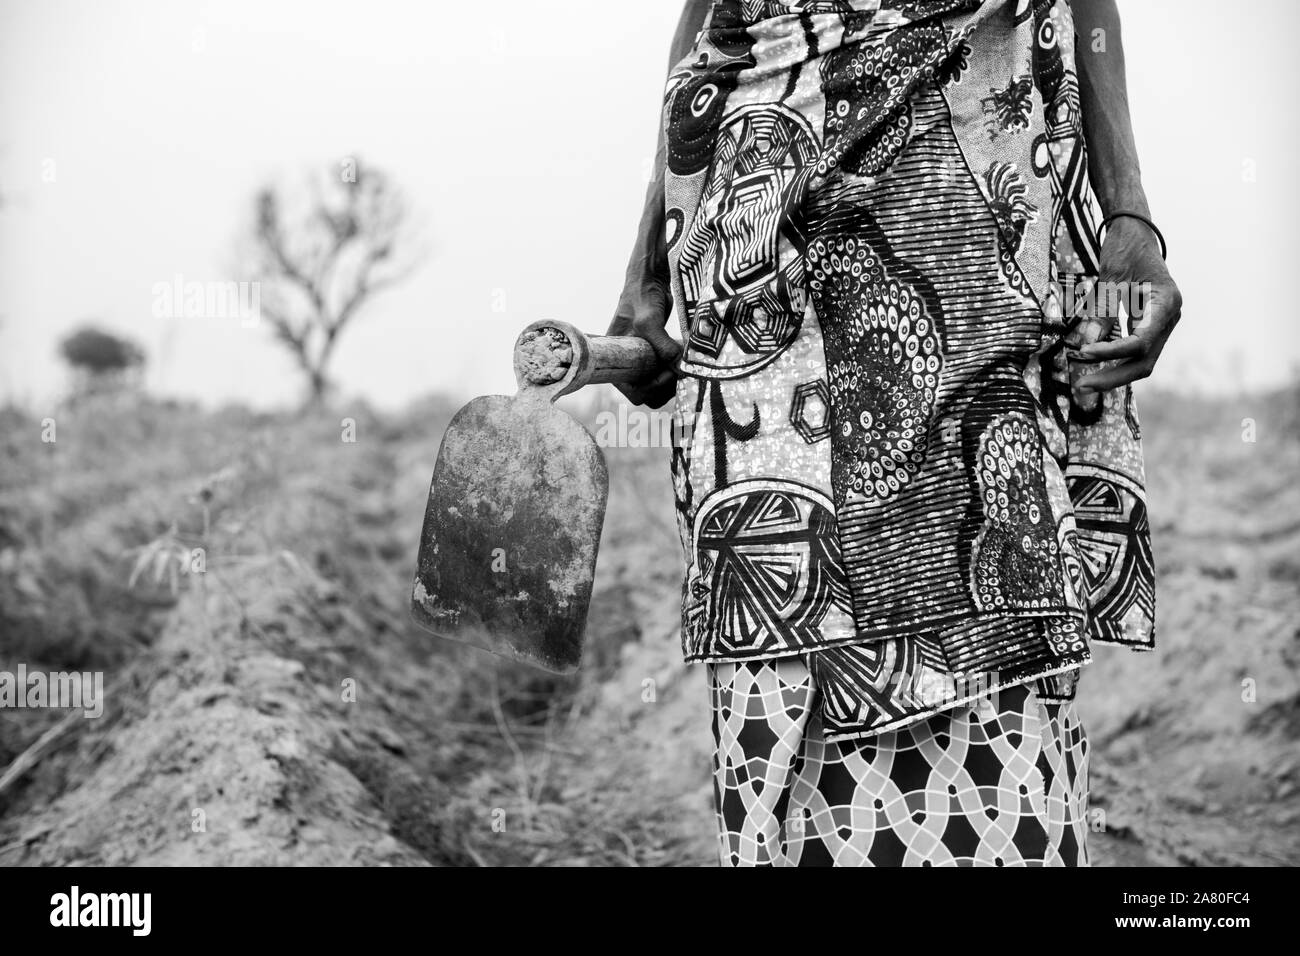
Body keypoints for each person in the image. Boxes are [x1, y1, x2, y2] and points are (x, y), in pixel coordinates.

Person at [609, 0, 1181, 867]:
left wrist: (1129, 215)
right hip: (754, 240)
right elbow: (709, 29)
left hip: (971, 197)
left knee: (993, 581)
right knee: (783, 613)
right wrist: (649, 268)